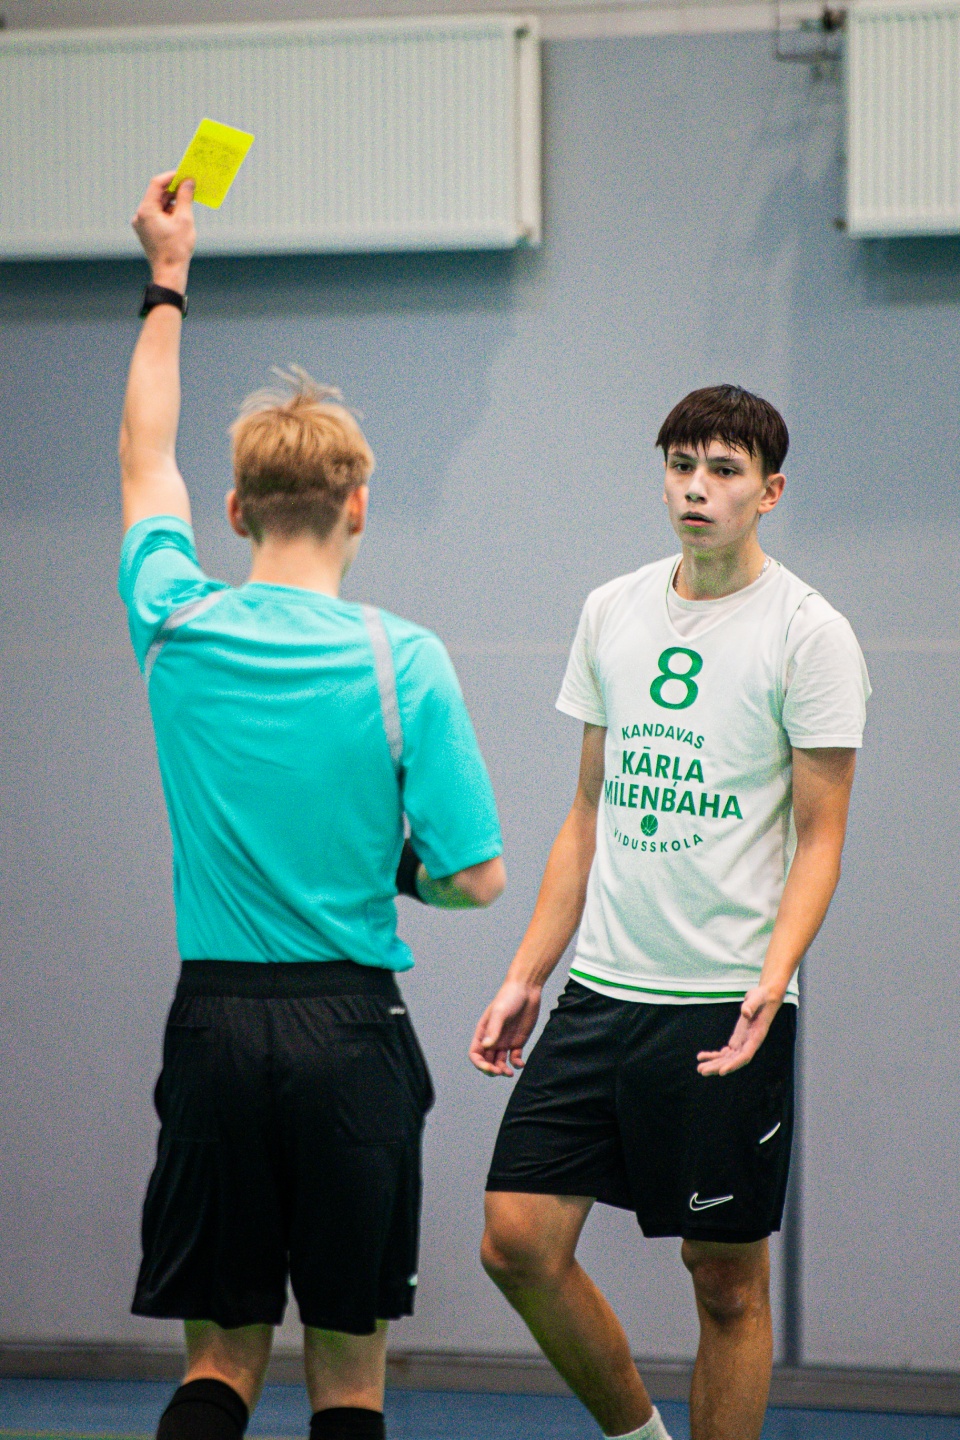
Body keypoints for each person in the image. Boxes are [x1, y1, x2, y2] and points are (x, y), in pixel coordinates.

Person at [119, 172, 505, 1440]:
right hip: (350, 1036)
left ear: (234, 511)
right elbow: (475, 880)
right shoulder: (406, 661)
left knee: (218, 1363)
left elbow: (143, 459)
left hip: (216, 1029)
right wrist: (393, 869)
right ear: (358, 505)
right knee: (347, 1373)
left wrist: (168, 276)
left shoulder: (174, 622)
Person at [469, 385, 869, 1440]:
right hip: (602, 993)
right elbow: (586, 812)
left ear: (769, 492)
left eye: (724, 469)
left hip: (723, 1002)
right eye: (681, 464)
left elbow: (821, 838)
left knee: (725, 1282)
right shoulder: (612, 610)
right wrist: (526, 974)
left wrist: (772, 981)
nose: (697, 487)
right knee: (516, 1240)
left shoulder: (811, 634)